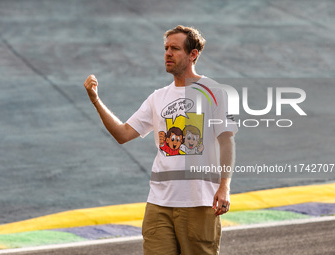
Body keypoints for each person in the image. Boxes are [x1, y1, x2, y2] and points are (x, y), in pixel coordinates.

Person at [84, 25, 237, 255]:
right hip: (159, 204)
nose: (167, 53)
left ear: (193, 54)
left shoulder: (214, 92)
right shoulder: (158, 97)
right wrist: (96, 100)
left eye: (175, 48)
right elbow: (123, 134)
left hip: (199, 202)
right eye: (166, 48)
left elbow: (227, 142)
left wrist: (224, 187)